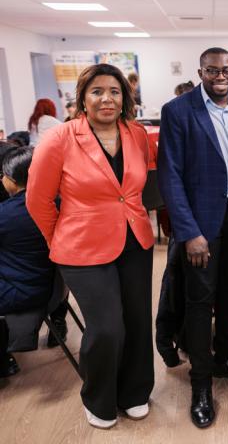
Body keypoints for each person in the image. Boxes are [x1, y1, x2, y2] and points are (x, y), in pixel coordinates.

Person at [26, 64, 155, 429]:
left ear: (125, 97)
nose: (106, 99)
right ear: (82, 97)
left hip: (134, 239)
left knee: (137, 320)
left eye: (114, 91)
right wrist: (59, 239)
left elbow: (134, 186)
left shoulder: (136, 134)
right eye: (97, 91)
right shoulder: (60, 138)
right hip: (80, 247)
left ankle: (135, 392)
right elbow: (37, 201)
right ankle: (98, 397)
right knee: (107, 326)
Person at [158, 47, 228, 428]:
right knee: (200, 301)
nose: (221, 76)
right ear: (200, 71)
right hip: (201, 221)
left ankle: (224, 359)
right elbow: (170, 176)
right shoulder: (179, 111)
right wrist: (189, 233)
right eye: (212, 70)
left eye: (227, 70)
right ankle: (200, 382)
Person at [0, 147, 55, 379]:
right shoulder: (55, 202)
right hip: (50, 285)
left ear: (12, 181)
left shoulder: (6, 215)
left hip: (22, 291)